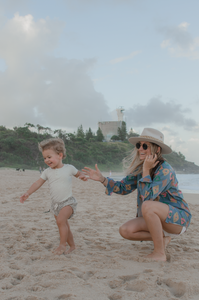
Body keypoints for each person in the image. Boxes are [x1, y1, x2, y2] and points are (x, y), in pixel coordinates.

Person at [82, 128, 192, 261]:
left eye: (145, 146)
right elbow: (122, 188)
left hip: (177, 219)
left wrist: (146, 170)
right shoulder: (140, 170)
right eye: (139, 145)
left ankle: (159, 253)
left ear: (157, 149)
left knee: (148, 206)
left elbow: (148, 198)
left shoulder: (165, 170)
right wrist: (102, 179)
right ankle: (163, 239)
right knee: (126, 230)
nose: (140, 148)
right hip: (156, 218)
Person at [20, 138, 87, 255]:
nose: (46, 160)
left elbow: (78, 174)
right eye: (44, 158)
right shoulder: (47, 172)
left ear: (60, 155)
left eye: (49, 157)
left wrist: (82, 176)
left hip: (68, 202)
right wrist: (28, 193)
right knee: (65, 225)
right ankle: (72, 246)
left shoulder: (69, 168)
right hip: (55, 205)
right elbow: (37, 183)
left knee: (61, 221)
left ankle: (62, 245)